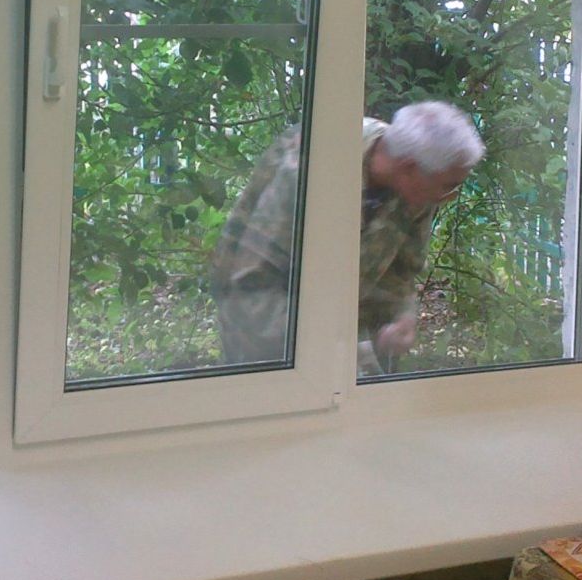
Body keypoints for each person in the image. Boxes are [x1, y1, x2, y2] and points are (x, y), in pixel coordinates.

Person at [208, 100, 485, 376]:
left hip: (337, 337)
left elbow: (402, 271)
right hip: (263, 336)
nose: (450, 196)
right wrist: (339, 349)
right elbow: (249, 288)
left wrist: (402, 318)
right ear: (409, 168)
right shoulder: (309, 171)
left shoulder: (419, 184)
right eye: (449, 186)